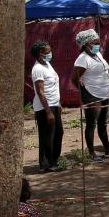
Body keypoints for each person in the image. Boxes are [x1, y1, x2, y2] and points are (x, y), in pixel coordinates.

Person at [73, 29, 109, 161]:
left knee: (103, 123)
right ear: (86, 44)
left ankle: (108, 149)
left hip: (104, 94)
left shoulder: (98, 54)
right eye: (95, 43)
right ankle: (92, 153)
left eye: (98, 42)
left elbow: (105, 71)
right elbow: (74, 78)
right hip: (92, 95)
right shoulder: (82, 59)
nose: (98, 45)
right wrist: (85, 91)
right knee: (91, 124)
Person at [30, 40, 65, 173]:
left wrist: (58, 103)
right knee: (47, 136)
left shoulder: (47, 65)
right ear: (40, 53)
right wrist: (48, 111)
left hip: (54, 104)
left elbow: (53, 86)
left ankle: (53, 160)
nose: (50, 53)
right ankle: (46, 163)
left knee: (58, 133)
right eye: (47, 52)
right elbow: (40, 91)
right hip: (45, 107)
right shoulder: (37, 69)